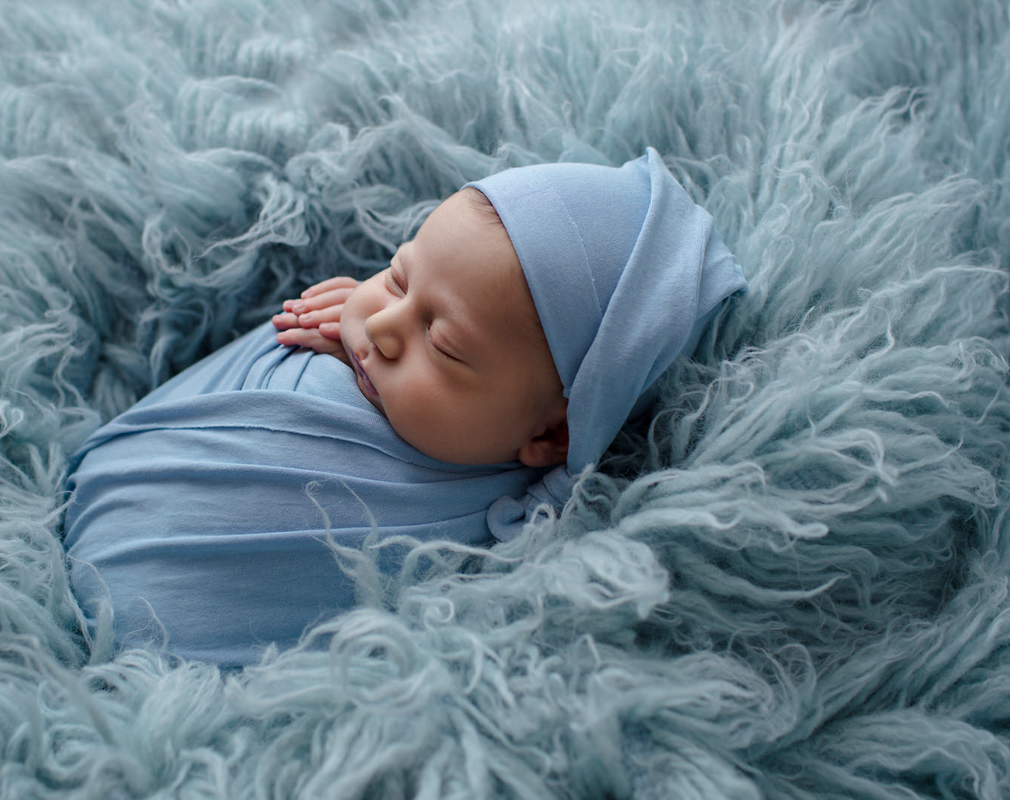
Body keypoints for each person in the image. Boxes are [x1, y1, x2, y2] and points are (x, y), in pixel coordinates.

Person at [61, 148, 748, 666]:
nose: (383, 327)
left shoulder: (525, 526)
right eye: (396, 274)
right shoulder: (364, 336)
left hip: (168, 660)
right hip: (93, 512)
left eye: (442, 344)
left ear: (551, 433)